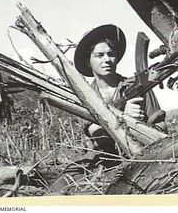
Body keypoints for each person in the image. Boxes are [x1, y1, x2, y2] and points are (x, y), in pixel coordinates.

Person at [51, 24, 166, 193]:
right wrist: (125, 119)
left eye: (111, 54)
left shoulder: (138, 86)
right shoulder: (86, 96)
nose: (107, 60)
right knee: (60, 188)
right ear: (87, 61)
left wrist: (139, 125)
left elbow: (162, 128)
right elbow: (97, 133)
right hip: (101, 162)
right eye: (99, 55)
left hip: (142, 158)